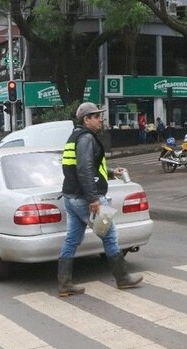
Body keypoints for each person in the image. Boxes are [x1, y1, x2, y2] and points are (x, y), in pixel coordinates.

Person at [58, 102, 143, 297]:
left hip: (71, 197)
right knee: (110, 235)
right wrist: (93, 199)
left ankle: (64, 284)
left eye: (99, 116)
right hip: (86, 199)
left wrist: (112, 172)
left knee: (72, 239)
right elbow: (84, 169)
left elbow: (90, 168)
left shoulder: (75, 137)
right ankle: (123, 279)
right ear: (86, 120)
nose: (100, 119)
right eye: (96, 116)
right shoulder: (87, 138)